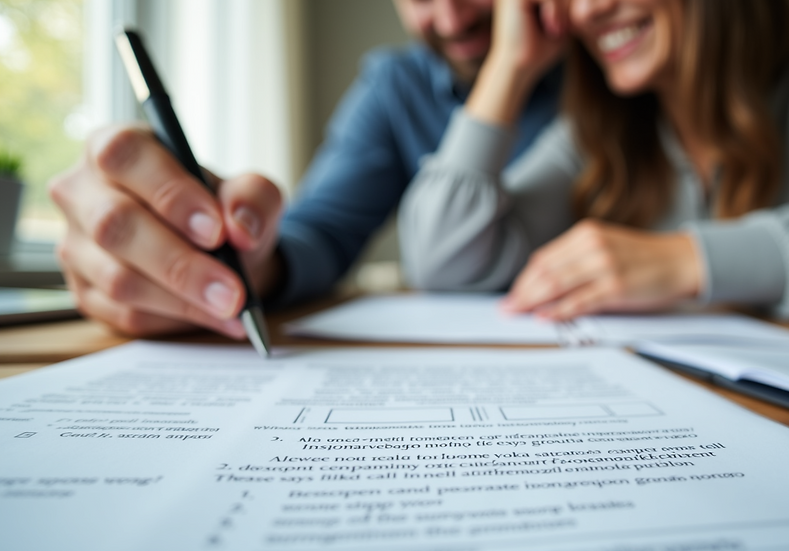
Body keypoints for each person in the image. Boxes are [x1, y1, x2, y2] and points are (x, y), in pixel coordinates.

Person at [398, 0, 789, 320]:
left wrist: (689, 261)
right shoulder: (599, 133)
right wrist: (509, 66)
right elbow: (440, 257)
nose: (591, 9)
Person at [47, 0, 563, 338]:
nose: (451, 20)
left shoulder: (611, 57)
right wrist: (240, 257)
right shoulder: (395, 86)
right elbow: (319, 232)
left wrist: (511, 65)